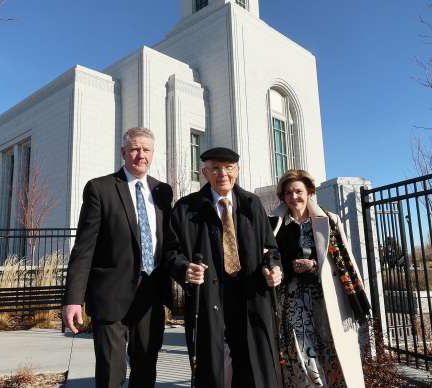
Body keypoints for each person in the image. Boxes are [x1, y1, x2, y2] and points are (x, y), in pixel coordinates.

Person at [62, 127, 174, 387]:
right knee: (111, 372)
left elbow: (169, 244)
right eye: (134, 149)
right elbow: (84, 248)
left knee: (145, 369)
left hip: (150, 296)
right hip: (110, 296)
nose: (140, 155)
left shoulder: (163, 192)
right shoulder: (100, 189)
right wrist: (73, 299)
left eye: (146, 150)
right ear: (123, 152)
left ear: (152, 153)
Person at [164, 147, 283, 388]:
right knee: (213, 371)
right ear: (205, 172)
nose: (223, 174)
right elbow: (170, 253)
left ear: (237, 171)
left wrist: (275, 268)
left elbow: (271, 249)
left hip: (250, 297)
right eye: (216, 168)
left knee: (253, 368)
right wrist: (184, 269)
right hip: (209, 298)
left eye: (229, 168)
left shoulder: (252, 204)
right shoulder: (186, 208)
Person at [271, 169, 366, 387]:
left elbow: (342, 259)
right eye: (287, 193)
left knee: (331, 352)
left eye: (298, 191)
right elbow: (270, 258)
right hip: (292, 302)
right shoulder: (275, 225)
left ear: (309, 192)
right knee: (303, 354)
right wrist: (285, 269)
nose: (293, 197)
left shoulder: (329, 220)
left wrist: (314, 264)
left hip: (325, 301)